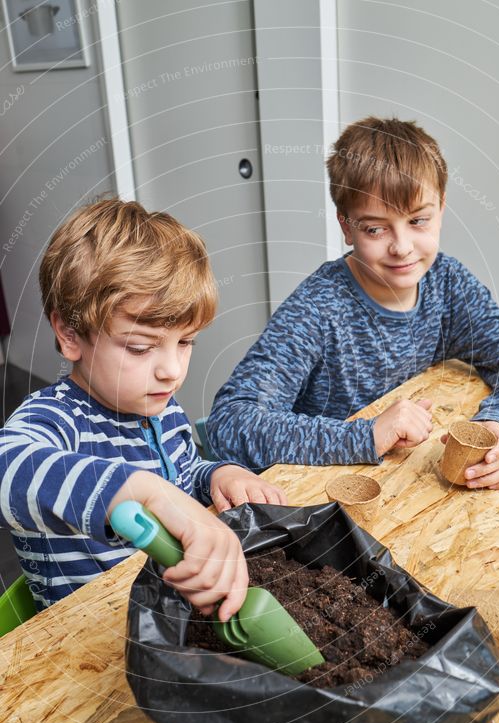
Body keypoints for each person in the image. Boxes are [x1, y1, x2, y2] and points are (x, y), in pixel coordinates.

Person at [207, 116, 499, 489]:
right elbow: (229, 423)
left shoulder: (447, 283)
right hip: (322, 500)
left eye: (418, 221)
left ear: (441, 208)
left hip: (404, 490)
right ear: (346, 226)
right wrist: (366, 436)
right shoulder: (318, 307)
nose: (402, 247)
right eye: (376, 228)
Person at [0, 199, 285, 617]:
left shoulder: (163, 410)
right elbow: (8, 466)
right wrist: (140, 492)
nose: (171, 370)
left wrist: (217, 475)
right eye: (139, 347)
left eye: (185, 342)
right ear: (70, 333)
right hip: (88, 638)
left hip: (168, 616)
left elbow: (182, 482)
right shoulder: (56, 420)